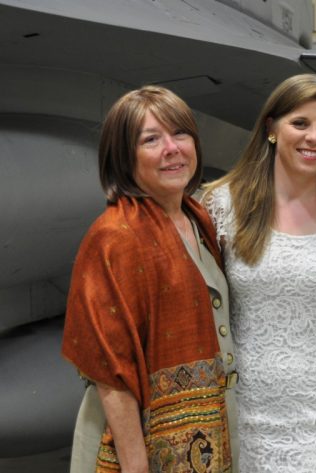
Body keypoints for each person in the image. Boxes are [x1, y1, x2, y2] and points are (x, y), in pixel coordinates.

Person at [202, 73, 316, 472]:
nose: (314, 137)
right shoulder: (222, 204)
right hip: (243, 413)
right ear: (271, 128)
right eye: (300, 123)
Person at [62, 85, 238, 473]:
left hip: (210, 431)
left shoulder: (197, 219)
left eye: (180, 133)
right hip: (136, 444)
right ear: (125, 156)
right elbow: (111, 375)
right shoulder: (115, 237)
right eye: (151, 139)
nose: (172, 148)